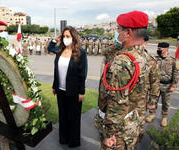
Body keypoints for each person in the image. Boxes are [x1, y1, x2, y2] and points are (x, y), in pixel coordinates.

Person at [97, 11, 154, 149]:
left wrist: (108, 134)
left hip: (118, 134)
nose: (117, 32)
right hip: (132, 123)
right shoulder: (145, 57)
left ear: (128, 33)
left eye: (118, 29)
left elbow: (117, 104)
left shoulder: (122, 62)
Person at [52, 26, 87, 148]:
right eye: (64, 36)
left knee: (73, 118)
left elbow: (82, 74)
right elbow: (56, 70)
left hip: (74, 91)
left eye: (68, 36)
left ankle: (73, 141)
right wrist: (54, 86)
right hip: (60, 90)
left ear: (74, 37)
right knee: (63, 116)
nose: (66, 38)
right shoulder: (59, 50)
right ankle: (63, 138)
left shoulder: (81, 53)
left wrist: (81, 92)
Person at [146, 42, 179, 127]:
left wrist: (174, 85)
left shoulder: (173, 60)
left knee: (166, 103)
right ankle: (152, 114)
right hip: (155, 85)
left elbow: (176, 73)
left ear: (166, 49)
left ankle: (164, 117)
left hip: (167, 85)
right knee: (153, 100)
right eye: (158, 48)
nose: (158, 50)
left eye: (160, 48)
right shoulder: (155, 59)